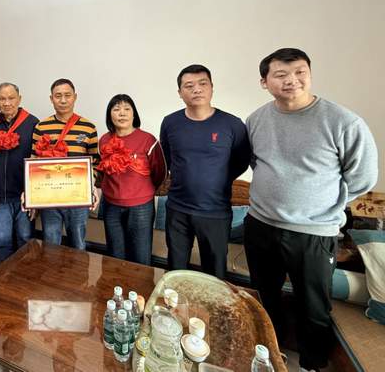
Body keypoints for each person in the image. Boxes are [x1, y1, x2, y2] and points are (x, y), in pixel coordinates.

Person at [244, 48, 378, 372]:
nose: (292, 80)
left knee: (313, 306)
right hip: (260, 225)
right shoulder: (256, 119)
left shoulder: (342, 122)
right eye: (281, 74)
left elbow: (363, 178)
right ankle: (270, 356)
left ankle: (311, 365)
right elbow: (256, 163)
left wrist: (319, 203)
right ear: (264, 82)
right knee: (265, 297)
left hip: (313, 233)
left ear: (310, 74)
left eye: (300, 72)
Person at [160, 64, 250, 279]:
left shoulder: (232, 124)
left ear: (211, 88)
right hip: (177, 208)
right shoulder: (170, 122)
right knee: (175, 270)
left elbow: (242, 161)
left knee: (214, 273)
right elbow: (167, 159)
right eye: (189, 85)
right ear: (180, 92)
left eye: (202, 83)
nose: (197, 89)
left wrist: (217, 179)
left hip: (215, 212)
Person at [97, 94, 166, 265]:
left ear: (134, 114)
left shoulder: (148, 140)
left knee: (140, 257)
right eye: (116, 109)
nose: (122, 113)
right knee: (114, 255)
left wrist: (142, 191)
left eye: (127, 109)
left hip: (141, 207)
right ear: (109, 115)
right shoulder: (104, 140)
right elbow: (103, 171)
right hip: (111, 205)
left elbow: (159, 172)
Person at [31, 78, 99, 250]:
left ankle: (78, 270)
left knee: (78, 244)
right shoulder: (41, 127)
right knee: (51, 243)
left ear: (75, 97)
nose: (63, 100)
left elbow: (96, 162)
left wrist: (92, 186)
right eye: (58, 96)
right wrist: (31, 194)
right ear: (51, 99)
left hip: (78, 198)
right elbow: (34, 161)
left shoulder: (88, 127)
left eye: (67, 95)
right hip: (49, 197)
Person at [0, 82, 39, 261]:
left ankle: (24, 273)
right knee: (2, 239)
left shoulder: (33, 123)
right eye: (2, 99)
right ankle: (5, 273)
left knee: (25, 237)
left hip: (24, 195)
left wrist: (34, 198)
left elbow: (38, 162)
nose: (6, 103)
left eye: (11, 98)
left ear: (19, 99)